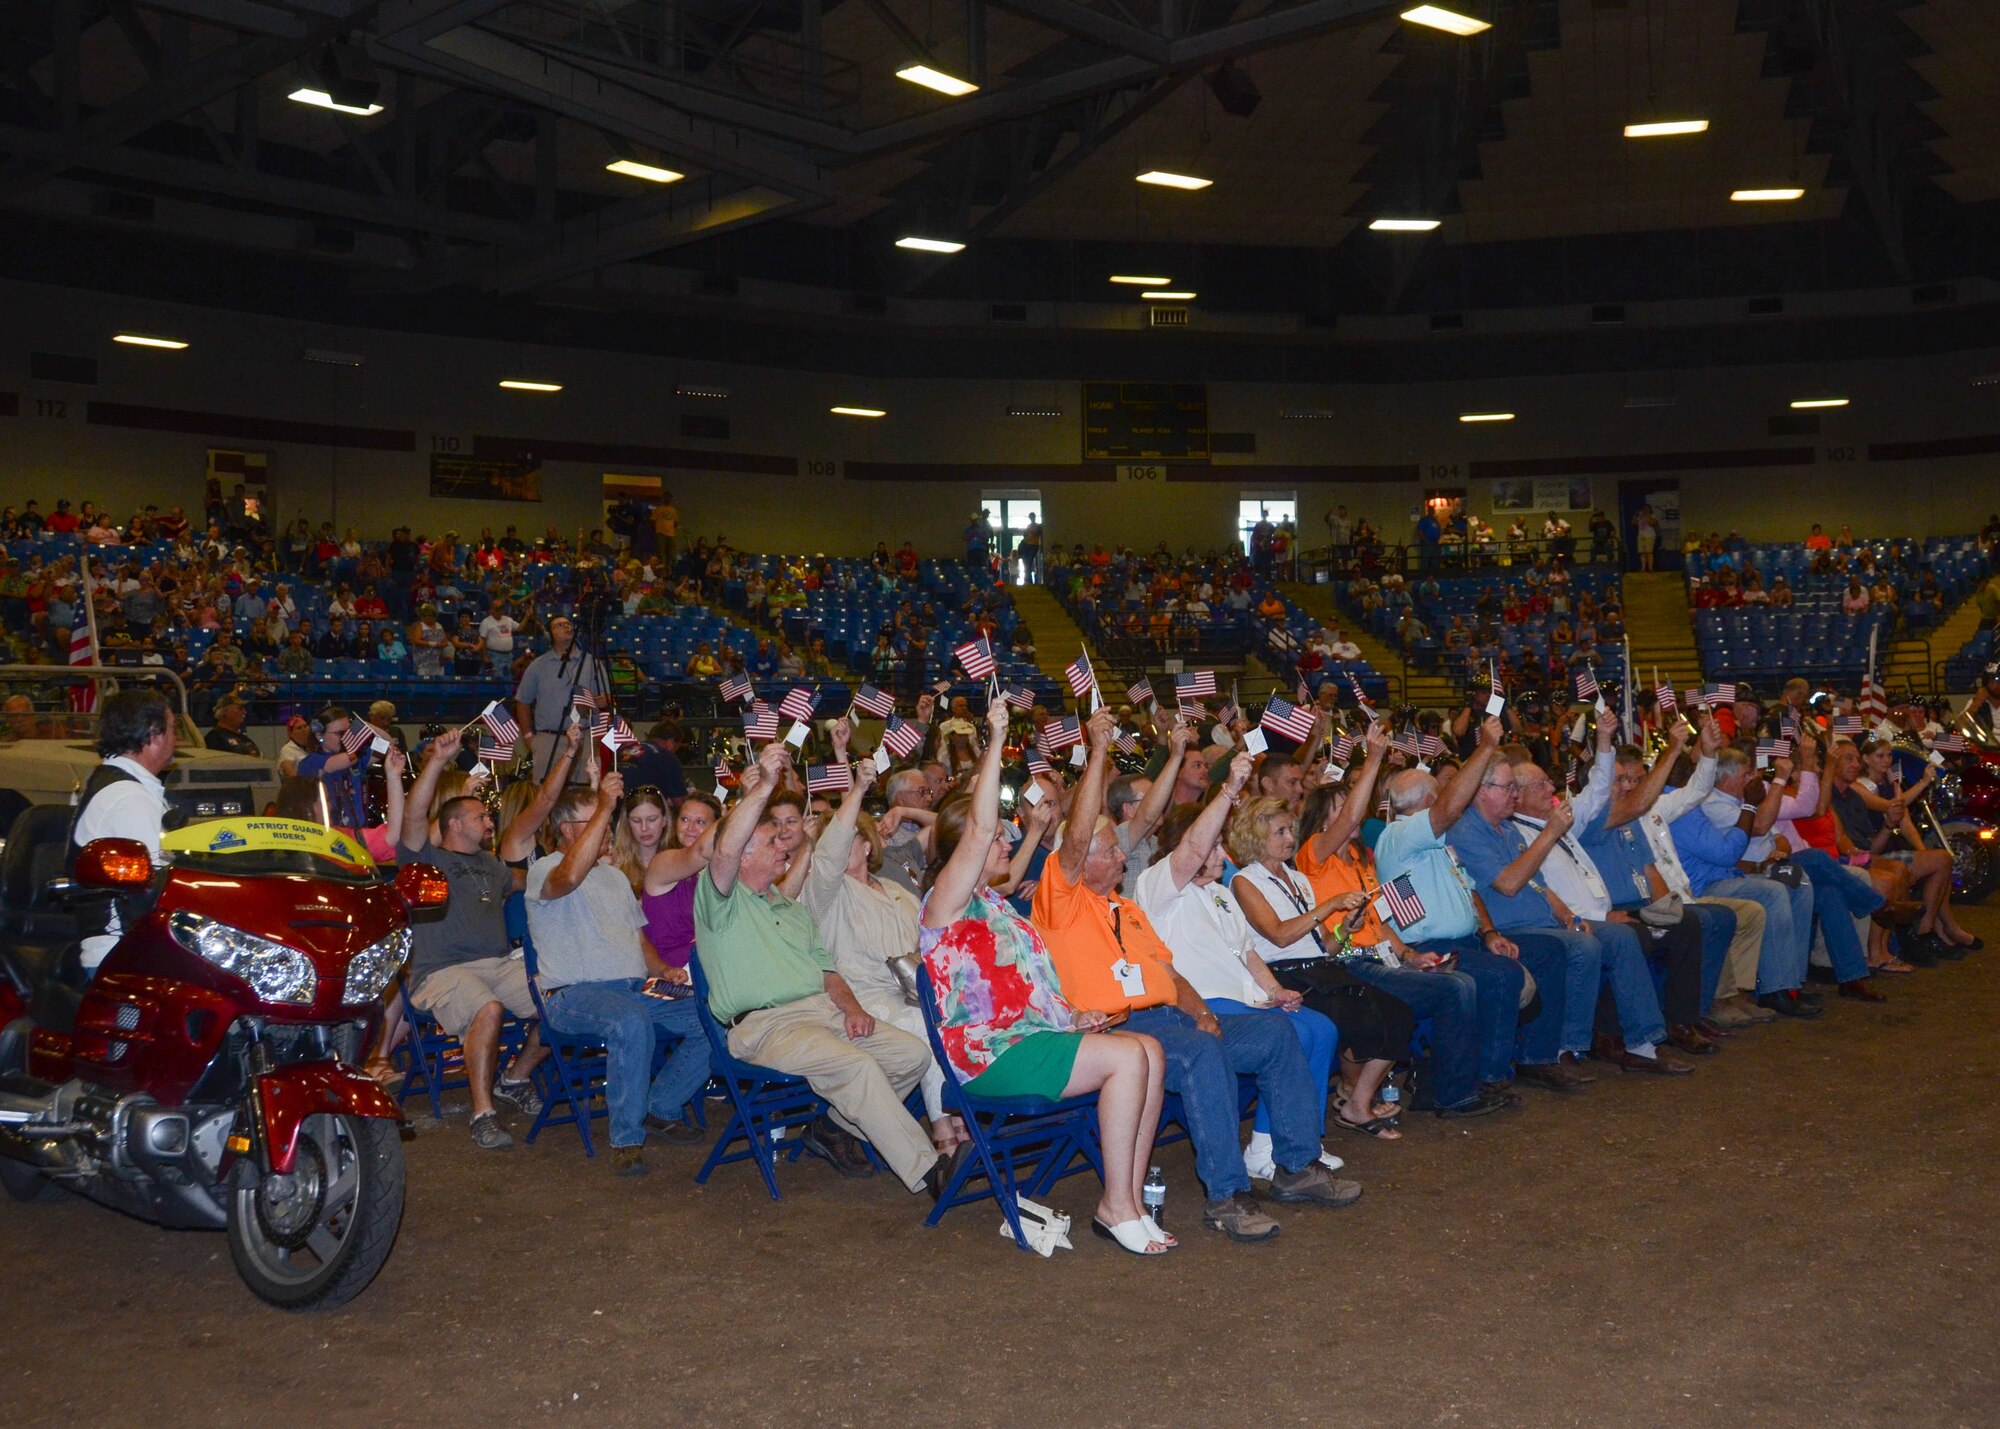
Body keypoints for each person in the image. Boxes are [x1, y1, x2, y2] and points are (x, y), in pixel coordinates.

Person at [1032, 707, 1361, 1244]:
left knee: (1277, 1033)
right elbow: (1081, 842)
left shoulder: (1127, 909)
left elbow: (1168, 970)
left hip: (1173, 1018)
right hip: (1115, 1030)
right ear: (1080, 859)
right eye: (1111, 849)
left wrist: (1202, 1013)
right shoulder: (1063, 900)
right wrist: (1097, 754)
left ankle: (1296, 1165)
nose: (1122, 855)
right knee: (1205, 1054)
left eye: (1118, 847)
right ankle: (1228, 1197)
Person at [921, 699, 1171, 1254]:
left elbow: (1032, 984)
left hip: (1033, 1038)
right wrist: (995, 739)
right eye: (997, 839)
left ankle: (1126, 1199)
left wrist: (1070, 1015)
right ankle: (1115, 1205)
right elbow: (983, 822)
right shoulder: (946, 906)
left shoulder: (997, 906)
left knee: (1151, 1048)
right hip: (989, 1055)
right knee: (1129, 1057)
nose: (1009, 841)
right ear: (968, 848)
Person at [695, 741, 944, 1194]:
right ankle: (930, 1170)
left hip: (824, 1013)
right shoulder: (721, 901)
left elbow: (829, 973)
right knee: (858, 1067)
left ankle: (831, 1129)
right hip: (768, 1027)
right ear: (743, 854)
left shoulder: (789, 909)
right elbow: (725, 850)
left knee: (911, 1055)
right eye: (772, 841)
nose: (784, 847)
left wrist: (850, 1008)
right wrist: (766, 785)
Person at [526, 772, 714, 1176]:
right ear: (566, 829)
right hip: (572, 995)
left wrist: (662, 969)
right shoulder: (545, 869)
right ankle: (626, 1140)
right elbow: (570, 877)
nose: (608, 827)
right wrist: (607, 803)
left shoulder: (613, 878)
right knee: (630, 1021)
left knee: (713, 1014)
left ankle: (661, 1106)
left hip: (635, 986)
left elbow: (637, 936)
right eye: (595, 820)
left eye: (607, 820)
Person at [802, 717, 967, 1159]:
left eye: (856, 834)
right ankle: (945, 1136)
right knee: (929, 1028)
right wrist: (852, 784)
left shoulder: (896, 889)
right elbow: (832, 848)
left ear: (871, 841)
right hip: (864, 997)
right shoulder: (825, 892)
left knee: (960, 1016)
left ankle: (961, 1117)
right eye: (836, 839)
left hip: (916, 991)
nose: (844, 842)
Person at [1221, 792, 1416, 1139]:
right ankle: (1350, 1102)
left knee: (1400, 1014)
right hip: (1284, 974)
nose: (1290, 839)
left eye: (1289, 831)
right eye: (1279, 832)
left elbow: (1326, 945)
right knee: (1358, 1020)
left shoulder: (1298, 880)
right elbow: (1279, 936)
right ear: (1255, 837)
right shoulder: (1244, 881)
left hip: (1320, 967)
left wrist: (1345, 929)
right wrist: (1328, 906)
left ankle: (1357, 1101)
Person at [399, 731, 548, 1149]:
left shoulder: (492, 864)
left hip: (498, 966)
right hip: (441, 972)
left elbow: (529, 880)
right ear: (454, 824)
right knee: (489, 1008)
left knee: (562, 996)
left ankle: (514, 1078)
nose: (489, 822)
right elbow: (413, 818)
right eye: (481, 817)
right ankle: (483, 1114)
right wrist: (436, 763)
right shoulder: (426, 861)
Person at [70, 690, 177, 972]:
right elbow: (156, 890)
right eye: (173, 730)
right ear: (154, 735)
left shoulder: (109, 782)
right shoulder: (129, 798)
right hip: (123, 955)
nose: (176, 741)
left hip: (120, 948)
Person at [514, 615, 604, 783]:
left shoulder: (592, 663)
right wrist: (528, 737)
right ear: (551, 634)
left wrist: (597, 737)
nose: (566, 627)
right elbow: (522, 702)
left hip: (584, 739)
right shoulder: (538, 666)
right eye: (559, 625)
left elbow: (607, 700)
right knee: (546, 796)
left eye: (568, 624)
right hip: (549, 741)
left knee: (584, 797)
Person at [296, 705, 376, 832]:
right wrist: (359, 747)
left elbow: (386, 746)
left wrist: (364, 726)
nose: (345, 738)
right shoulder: (310, 762)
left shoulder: (355, 756)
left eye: (348, 732)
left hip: (359, 832)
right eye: (340, 733)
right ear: (319, 735)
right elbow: (334, 764)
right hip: (330, 833)